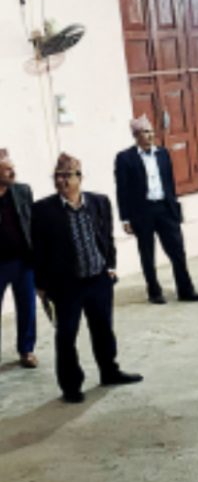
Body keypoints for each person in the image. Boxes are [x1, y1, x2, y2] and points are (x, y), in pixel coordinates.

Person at [31, 153, 142, 403]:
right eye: (57, 176)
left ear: (79, 177)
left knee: (103, 329)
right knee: (66, 335)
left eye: (67, 176)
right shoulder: (42, 210)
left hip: (98, 279)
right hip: (65, 285)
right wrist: (41, 285)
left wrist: (111, 266)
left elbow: (107, 237)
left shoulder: (99, 202)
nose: (61, 181)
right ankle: (71, 386)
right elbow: (37, 250)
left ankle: (109, 371)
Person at [114, 115, 198, 304]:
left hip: (164, 208)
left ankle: (185, 289)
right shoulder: (125, 158)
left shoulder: (162, 153)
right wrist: (125, 218)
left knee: (177, 251)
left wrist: (175, 207)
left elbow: (169, 182)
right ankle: (154, 291)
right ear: (136, 135)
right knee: (147, 253)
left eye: (151, 131)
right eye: (145, 132)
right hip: (142, 211)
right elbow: (122, 189)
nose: (150, 135)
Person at [0, 149, 38, 368]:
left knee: (27, 307)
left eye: (13, 168)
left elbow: (31, 223)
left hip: (23, 261)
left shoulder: (23, 191)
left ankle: (27, 350)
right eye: (7, 169)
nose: (13, 172)